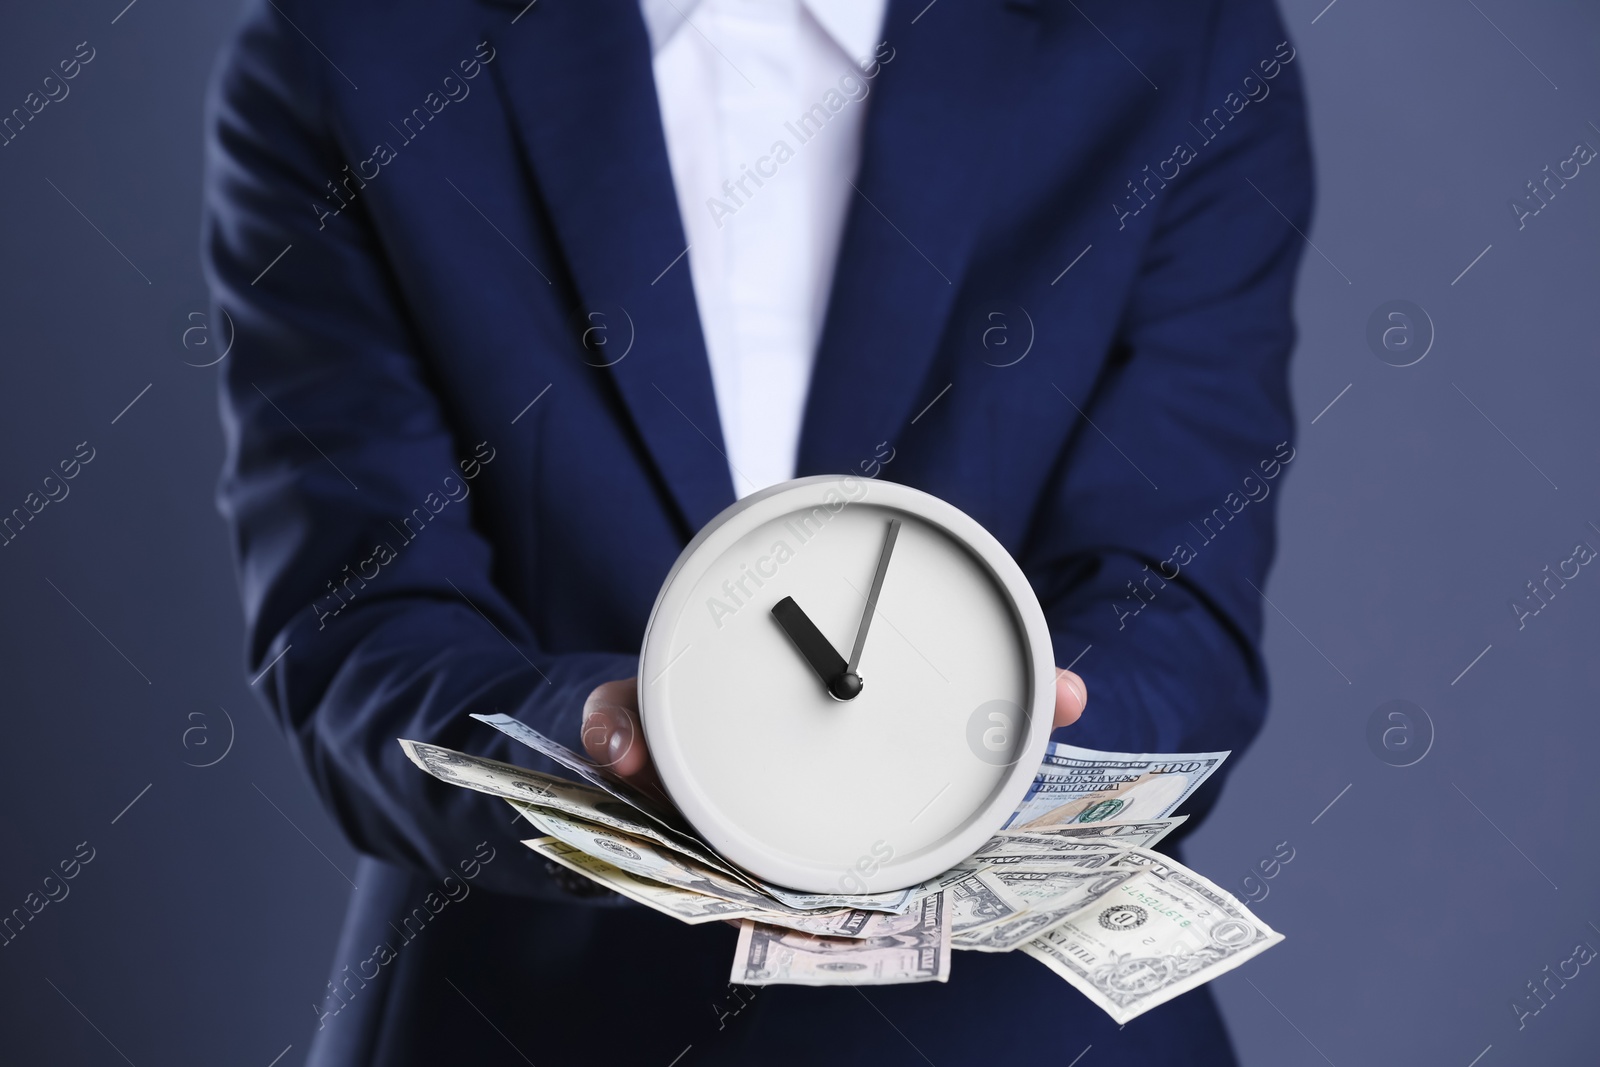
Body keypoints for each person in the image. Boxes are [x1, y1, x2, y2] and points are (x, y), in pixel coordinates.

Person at [202, 0, 1310, 1063]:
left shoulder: (1181, 34)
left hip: (1013, 1028)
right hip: (534, 1013)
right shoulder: (350, 44)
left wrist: (1013, 752)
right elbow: (361, 624)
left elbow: (1175, 596)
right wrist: (597, 745)